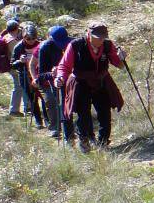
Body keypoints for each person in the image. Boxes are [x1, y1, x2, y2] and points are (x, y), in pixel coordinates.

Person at [53, 21, 127, 152]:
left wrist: (122, 58)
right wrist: (60, 78)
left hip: (101, 81)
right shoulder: (76, 45)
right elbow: (64, 66)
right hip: (81, 83)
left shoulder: (107, 45)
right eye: (98, 37)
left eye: (103, 37)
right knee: (83, 115)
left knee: (105, 113)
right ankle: (84, 142)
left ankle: (103, 143)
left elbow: (119, 64)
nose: (100, 40)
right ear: (88, 33)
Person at [33, 25, 73, 141]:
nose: (61, 44)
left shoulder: (73, 44)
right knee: (56, 103)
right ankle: (61, 131)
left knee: (72, 106)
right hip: (55, 82)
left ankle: (75, 131)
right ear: (50, 38)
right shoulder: (45, 47)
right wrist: (51, 74)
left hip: (72, 79)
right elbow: (41, 75)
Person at [11, 23, 44, 128]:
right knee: (32, 99)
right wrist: (19, 61)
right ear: (24, 36)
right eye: (27, 38)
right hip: (25, 76)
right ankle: (38, 121)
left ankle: (48, 119)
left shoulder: (41, 45)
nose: (30, 40)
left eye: (33, 38)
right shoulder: (18, 47)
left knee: (44, 98)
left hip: (40, 75)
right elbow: (13, 65)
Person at [0, 19, 24, 116]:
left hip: (10, 65)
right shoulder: (12, 40)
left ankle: (27, 107)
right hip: (15, 66)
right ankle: (14, 110)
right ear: (16, 28)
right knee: (19, 87)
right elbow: (17, 53)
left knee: (22, 86)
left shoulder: (5, 36)